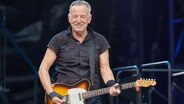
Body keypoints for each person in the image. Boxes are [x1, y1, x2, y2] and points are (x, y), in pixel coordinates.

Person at [38, 0, 121, 104]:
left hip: (92, 98)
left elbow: (105, 68)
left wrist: (111, 85)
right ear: (69, 18)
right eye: (75, 16)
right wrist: (52, 94)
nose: (78, 20)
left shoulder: (100, 40)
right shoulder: (58, 40)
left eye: (82, 16)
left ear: (89, 19)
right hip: (64, 98)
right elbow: (43, 69)